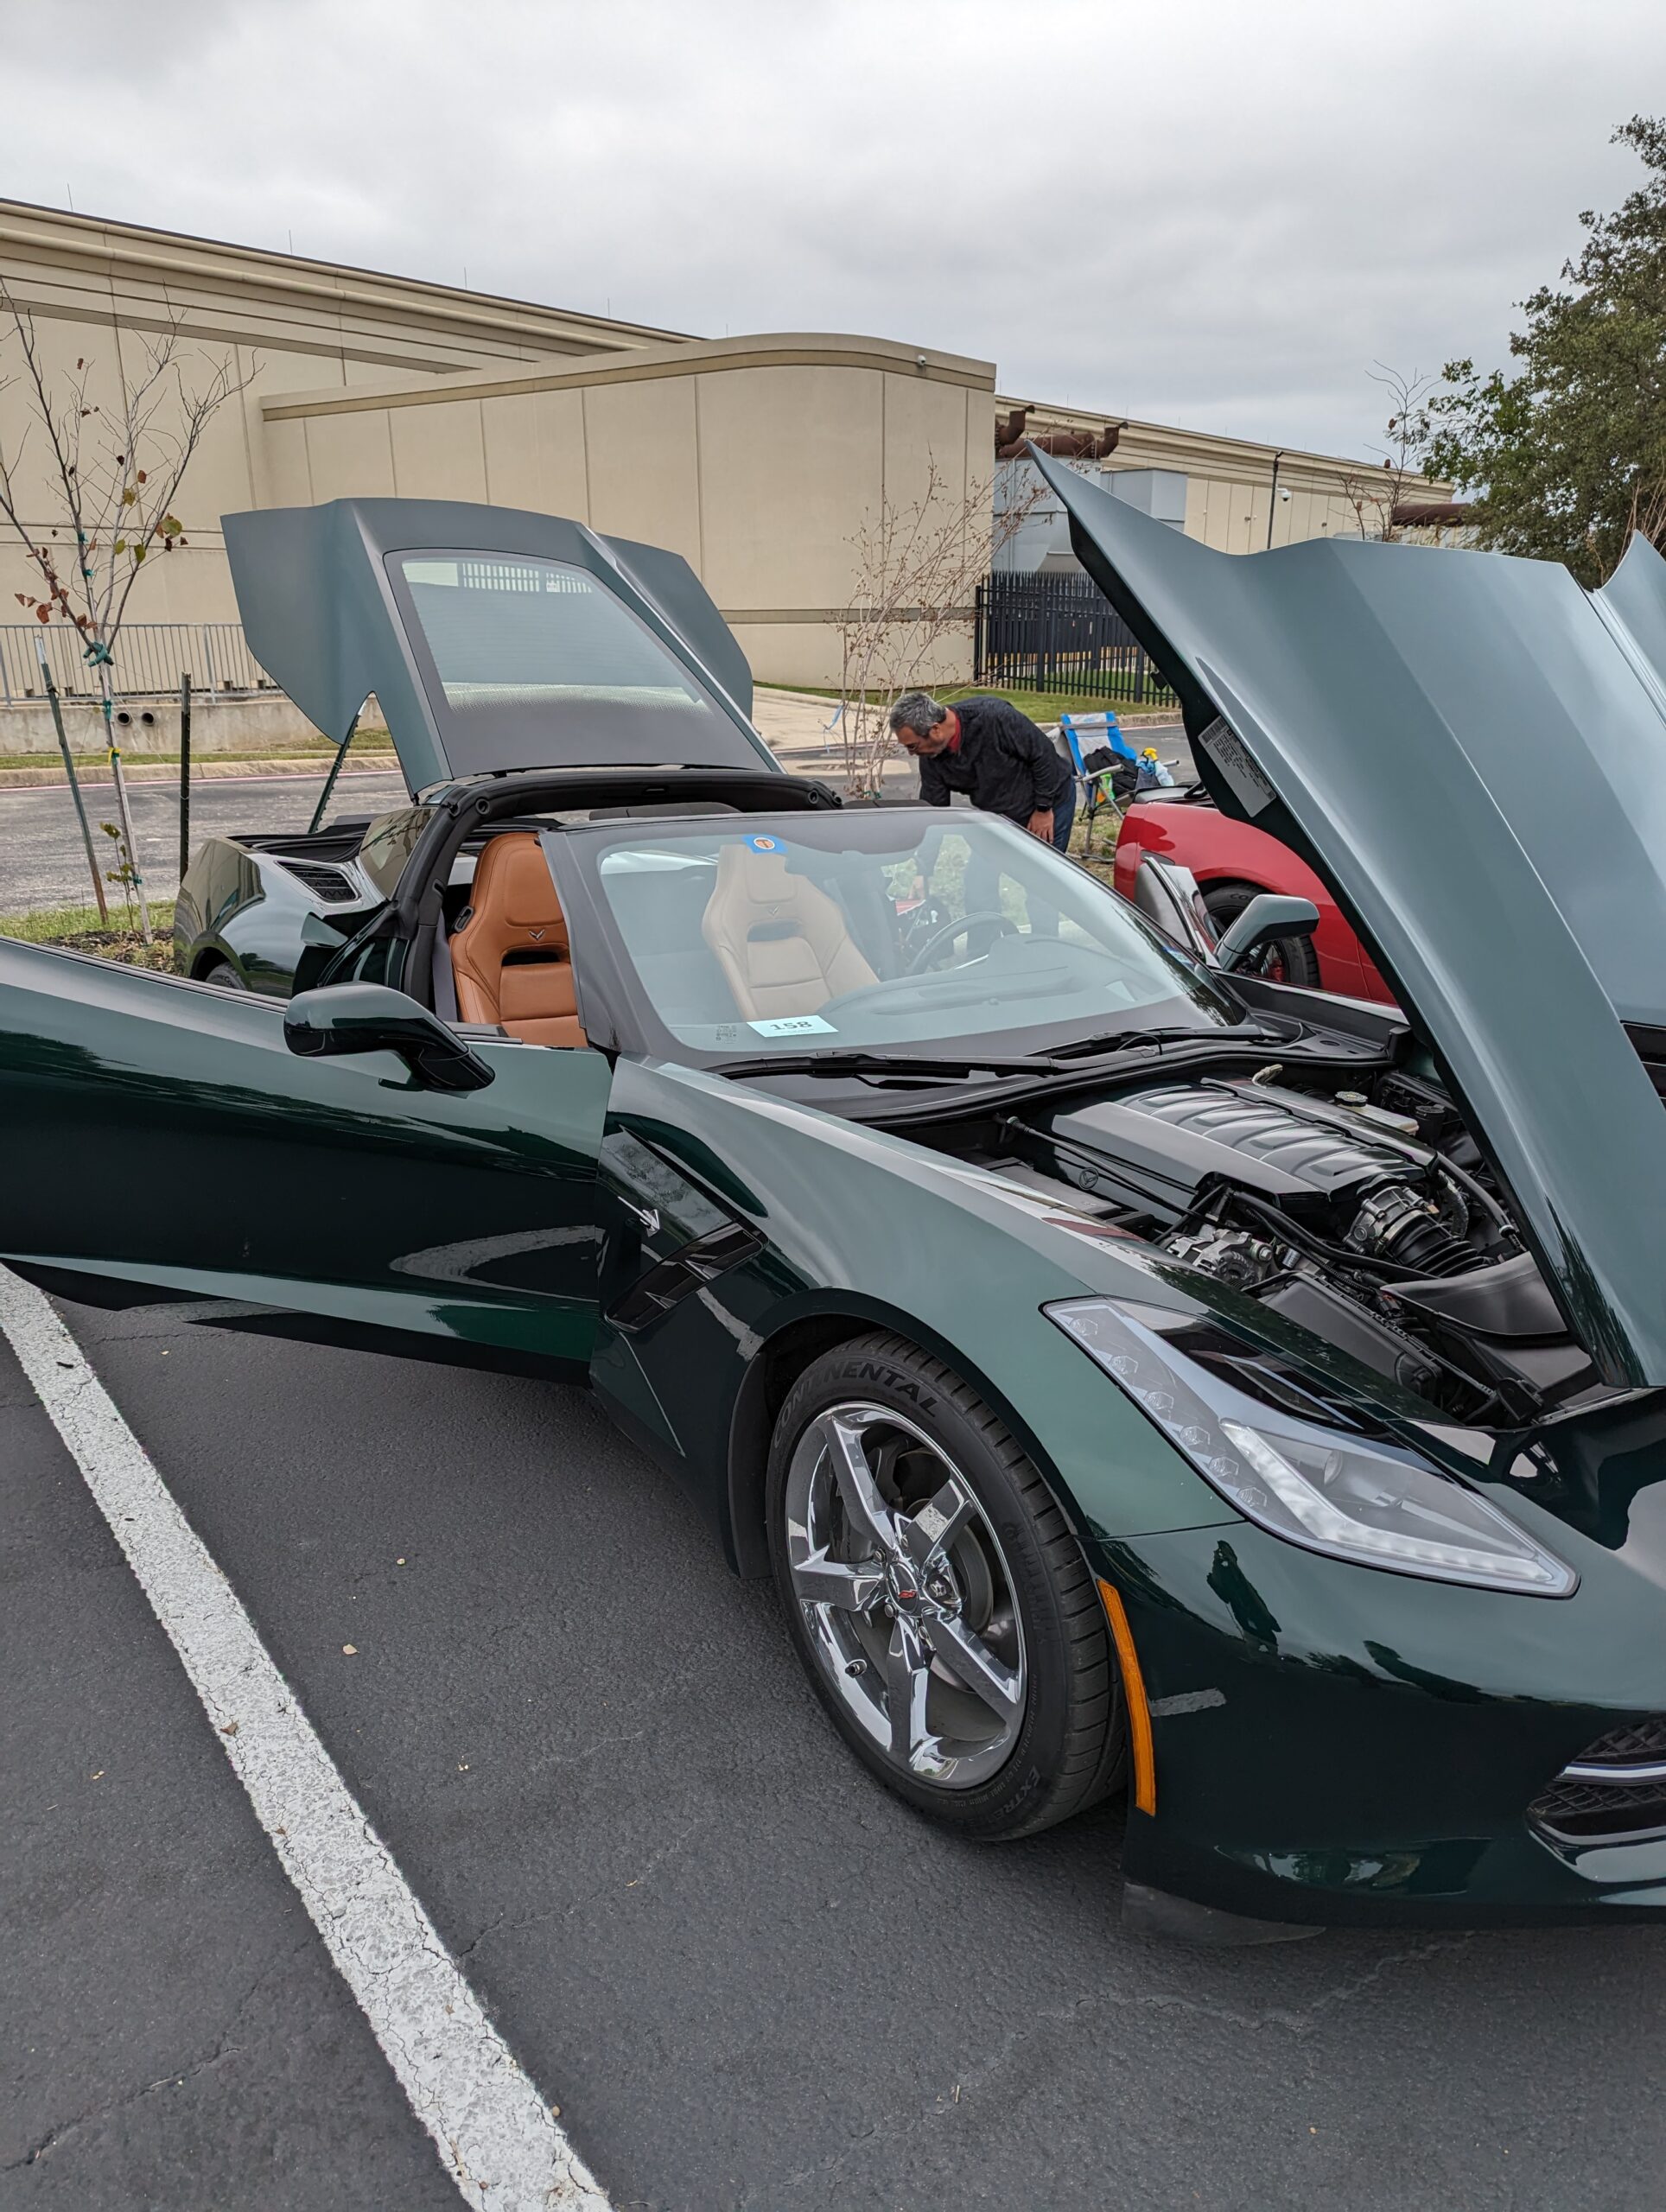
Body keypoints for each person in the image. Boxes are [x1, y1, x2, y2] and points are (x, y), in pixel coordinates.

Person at [889, 691, 1076, 853]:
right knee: (981, 875)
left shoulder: (994, 716)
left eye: (912, 746)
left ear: (936, 730)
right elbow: (934, 817)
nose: (911, 753)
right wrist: (924, 871)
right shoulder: (931, 757)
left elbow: (1043, 755)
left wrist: (1043, 809)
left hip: (1050, 802)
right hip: (1000, 816)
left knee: (1041, 875)